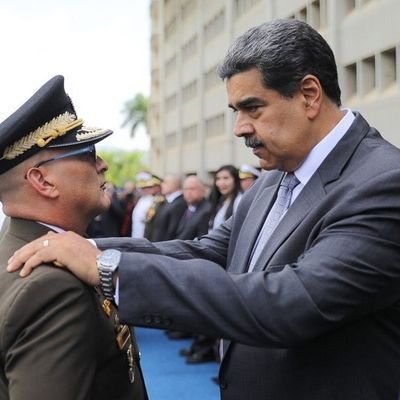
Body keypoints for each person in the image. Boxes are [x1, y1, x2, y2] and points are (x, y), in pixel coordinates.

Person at [8, 19, 400, 400]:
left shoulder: (382, 183)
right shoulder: (275, 179)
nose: (239, 129)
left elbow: (294, 303)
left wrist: (108, 266)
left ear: (310, 95)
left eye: (253, 108)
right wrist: (82, 248)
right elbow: (208, 252)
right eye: (235, 112)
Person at [0, 75, 147, 399]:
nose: (104, 164)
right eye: (88, 154)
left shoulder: (14, 247)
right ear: (43, 181)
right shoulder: (52, 286)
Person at [144, 173, 186, 241]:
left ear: (173, 184)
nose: (161, 185)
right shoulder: (167, 201)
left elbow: (171, 232)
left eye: (165, 182)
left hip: (165, 247)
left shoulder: (179, 204)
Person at [208, 164, 242, 232]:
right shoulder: (220, 202)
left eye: (226, 178)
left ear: (235, 180)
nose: (221, 183)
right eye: (218, 179)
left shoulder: (239, 201)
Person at [131, 172, 162, 238]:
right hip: (137, 233)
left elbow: (150, 219)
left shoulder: (156, 200)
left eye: (149, 187)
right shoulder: (142, 199)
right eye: (143, 187)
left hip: (146, 235)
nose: (144, 189)